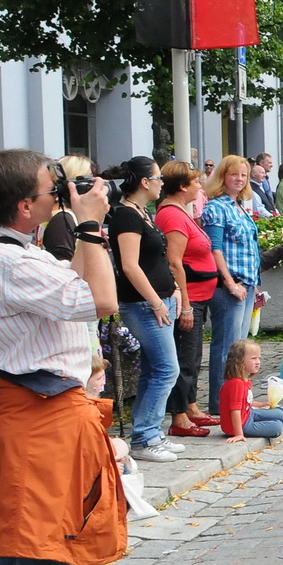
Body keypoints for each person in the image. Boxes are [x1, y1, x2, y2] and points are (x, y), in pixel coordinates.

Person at [0, 149, 125, 565]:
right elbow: (103, 299)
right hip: (40, 409)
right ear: (22, 206)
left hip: (25, 403)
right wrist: (89, 225)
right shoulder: (13, 261)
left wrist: (85, 229)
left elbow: (79, 290)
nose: (55, 198)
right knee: (44, 541)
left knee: (15, 541)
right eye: (48, 193)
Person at [108, 157, 182, 463]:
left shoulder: (143, 213)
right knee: (168, 369)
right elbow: (129, 265)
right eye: (158, 177)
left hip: (161, 299)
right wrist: (155, 301)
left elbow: (157, 259)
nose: (162, 183)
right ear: (144, 182)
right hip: (143, 304)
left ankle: (148, 432)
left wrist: (173, 288)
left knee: (154, 369)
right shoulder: (126, 216)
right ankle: (146, 436)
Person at [155, 161, 220, 438]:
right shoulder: (172, 215)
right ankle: (179, 415)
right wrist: (185, 305)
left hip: (200, 295)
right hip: (189, 296)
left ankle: (190, 405)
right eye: (195, 182)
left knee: (193, 356)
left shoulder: (182, 211)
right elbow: (174, 261)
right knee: (185, 357)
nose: (200, 186)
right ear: (182, 187)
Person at [201, 155, 263, 421]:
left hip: (246, 283)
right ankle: (219, 401)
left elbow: (249, 248)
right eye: (234, 174)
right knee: (226, 346)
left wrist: (255, 285)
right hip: (229, 285)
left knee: (239, 347)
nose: (239, 179)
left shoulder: (240, 206)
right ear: (222, 176)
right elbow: (214, 248)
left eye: (243, 175)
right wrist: (229, 282)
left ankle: (238, 399)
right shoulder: (216, 207)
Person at [218, 339, 283, 441]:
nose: (258, 362)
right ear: (240, 361)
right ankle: (271, 423)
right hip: (242, 424)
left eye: (259, 358)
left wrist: (261, 405)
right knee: (277, 427)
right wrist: (239, 434)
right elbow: (235, 410)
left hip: (248, 414)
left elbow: (247, 402)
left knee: (281, 413)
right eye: (253, 358)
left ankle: (274, 420)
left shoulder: (243, 381)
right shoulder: (236, 384)